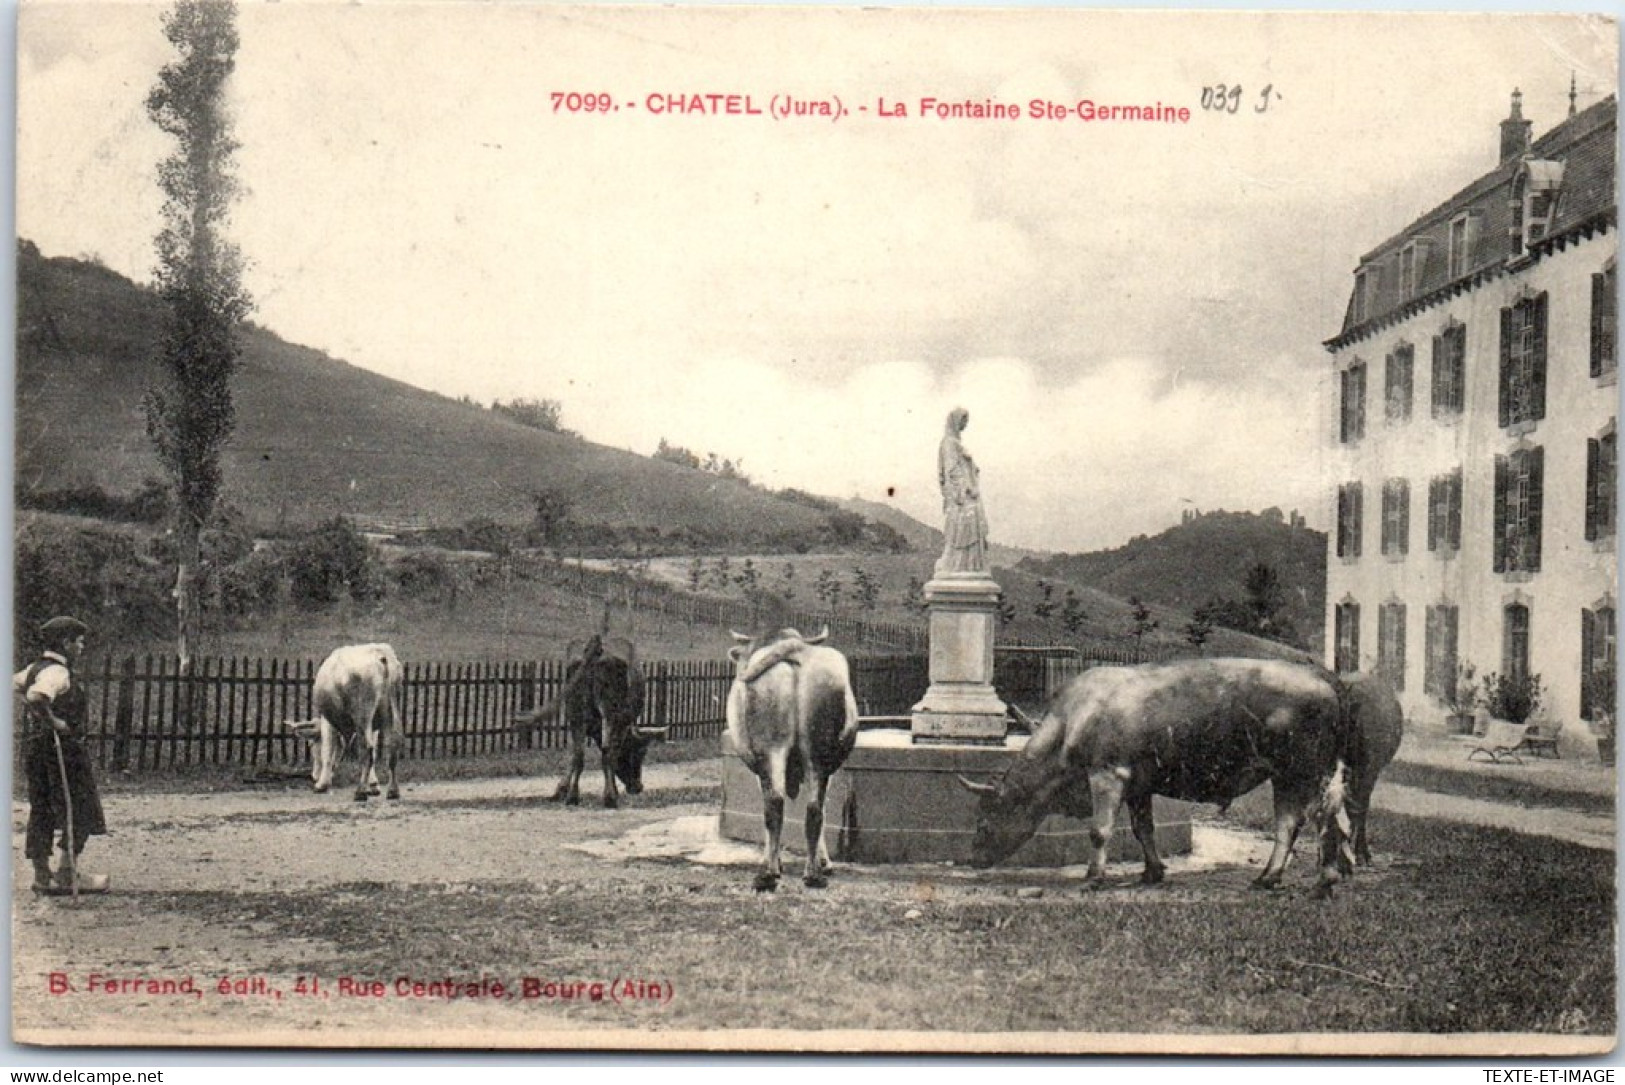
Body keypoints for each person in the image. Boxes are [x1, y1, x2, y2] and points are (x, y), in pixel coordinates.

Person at [15, 616, 108, 894]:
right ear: (66, 643)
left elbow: (19, 687)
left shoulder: (34, 668)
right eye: (79, 642)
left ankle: (42, 875)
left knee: (41, 806)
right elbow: (37, 696)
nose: (82, 647)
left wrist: (38, 714)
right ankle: (67, 872)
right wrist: (54, 721)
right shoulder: (58, 672)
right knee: (79, 805)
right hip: (62, 750)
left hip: (36, 749)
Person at [936, 407, 990, 575]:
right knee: (964, 527)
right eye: (963, 421)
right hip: (961, 495)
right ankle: (959, 564)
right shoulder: (949, 443)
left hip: (968, 491)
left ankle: (970, 565)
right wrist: (964, 489)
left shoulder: (954, 442)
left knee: (971, 526)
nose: (965, 424)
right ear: (955, 421)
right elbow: (952, 470)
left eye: (966, 421)